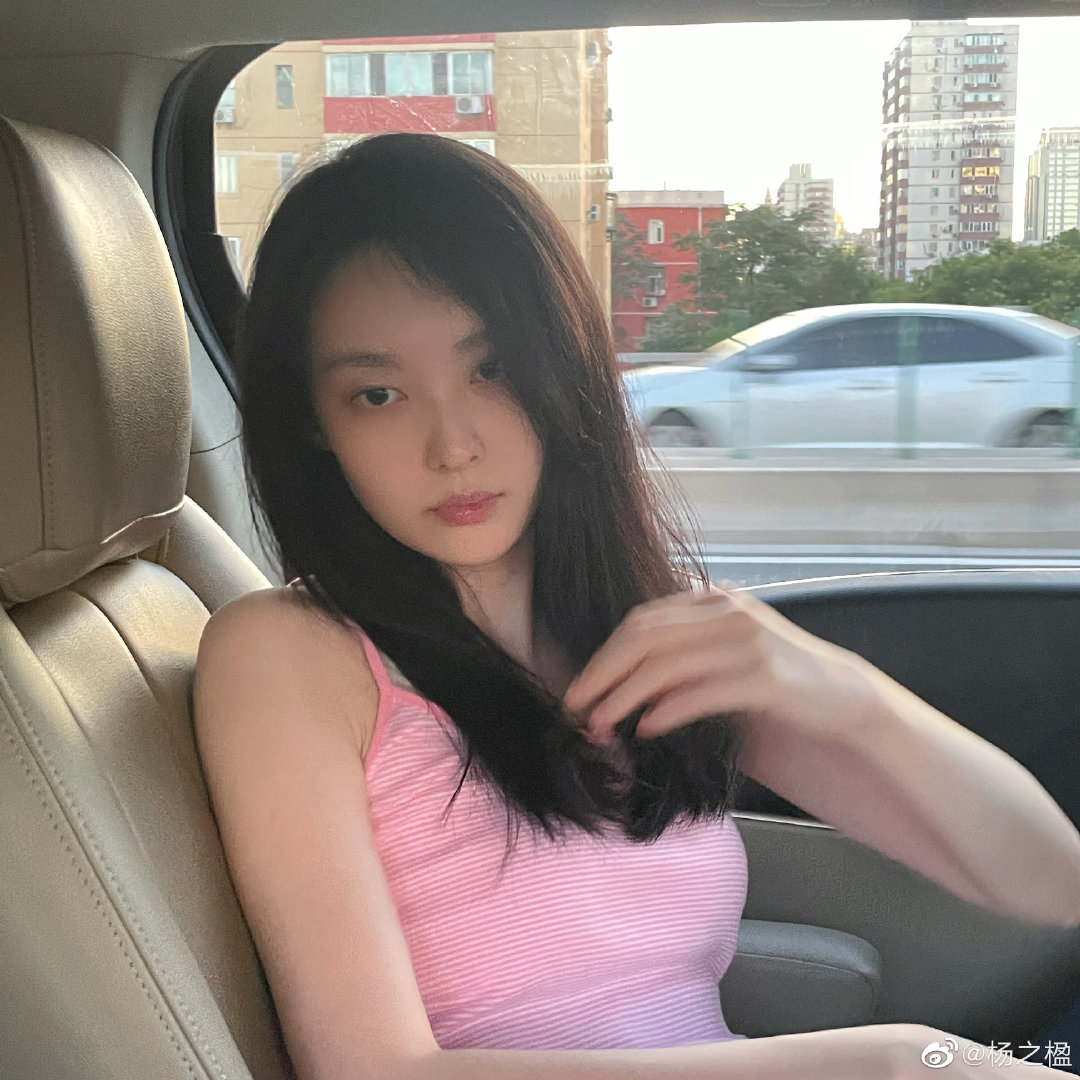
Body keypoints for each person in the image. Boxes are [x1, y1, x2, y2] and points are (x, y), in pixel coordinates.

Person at [192, 132, 1080, 1080]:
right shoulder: (288, 654)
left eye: (491, 368)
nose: (453, 445)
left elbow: (1050, 879)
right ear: (313, 424)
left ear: (560, 366)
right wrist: (892, 1063)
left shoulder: (641, 641)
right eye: (377, 394)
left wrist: (842, 690)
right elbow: (371, 1071)